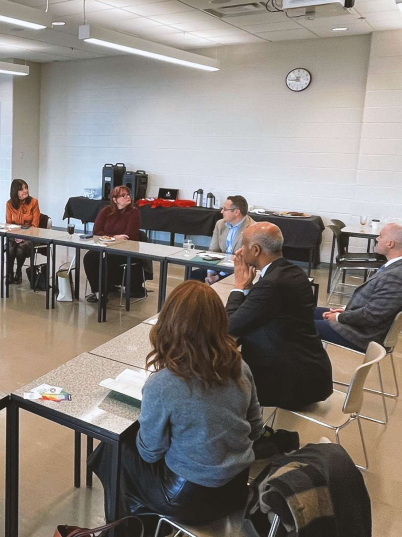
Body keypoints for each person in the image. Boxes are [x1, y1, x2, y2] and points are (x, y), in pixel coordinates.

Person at [88, 280, 263, 532]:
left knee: (112, 449)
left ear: (169, 323)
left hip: (187, 499)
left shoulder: (164, 384)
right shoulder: (240, 367)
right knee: (115, 453)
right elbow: (256, 429)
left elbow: (150, 452)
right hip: (237, 488)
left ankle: (124, 528)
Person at [226, 222, 332, 409]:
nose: (240, 250)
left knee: (219, 387)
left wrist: (239, 287)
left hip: (291, 382)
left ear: (256, 250)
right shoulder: (294, 272)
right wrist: (249, 287)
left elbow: (230, 326)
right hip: (309, 370)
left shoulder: (273, 284)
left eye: (243, 245)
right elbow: (257, 311)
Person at [315, 222, 402, 352]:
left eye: (380, 236)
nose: (377, 239)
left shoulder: (395, 276)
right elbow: (373, 306)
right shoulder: (393, 267)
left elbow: (372, 316)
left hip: (363, 336)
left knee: (298, 326)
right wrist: (344, 310)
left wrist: (339, 317)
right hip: (360, 324)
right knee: (306, 311)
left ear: (390, 244)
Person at [82, 185, 144, 302]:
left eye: (128, 194)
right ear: (115, 200)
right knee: (89, 257)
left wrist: (108, 236)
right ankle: (98, 292)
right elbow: (96, 232)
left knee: (105, 259)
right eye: (123, 195)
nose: (127, 197)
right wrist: (114, 237)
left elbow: (129, 235)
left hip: (126, 249)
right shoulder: (106, 211)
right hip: (106, 245)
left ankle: (105, 289)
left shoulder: (134, 212)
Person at [190, 195, 254, 284]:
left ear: (236, 212)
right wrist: (210, 274)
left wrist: (218, 277)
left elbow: (244, 260)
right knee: (193, 276)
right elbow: (213, 251)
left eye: (224, 209)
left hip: (238, 270)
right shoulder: (220, 224)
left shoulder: (252, 229)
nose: (221, 211)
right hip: (219, 266)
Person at [4, 179, 41, 284]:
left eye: (26, 188)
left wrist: (23, 236)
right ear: (15, 192)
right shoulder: (9, 204)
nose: (25, 191)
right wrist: (16, 235)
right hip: (14, 235)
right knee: (11, 247)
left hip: (30, 236)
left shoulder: (34, 202)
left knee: (20, 249)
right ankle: (9, 273)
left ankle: (18, 271)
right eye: (21, 189)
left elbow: (35, 226)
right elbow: (8, 224)